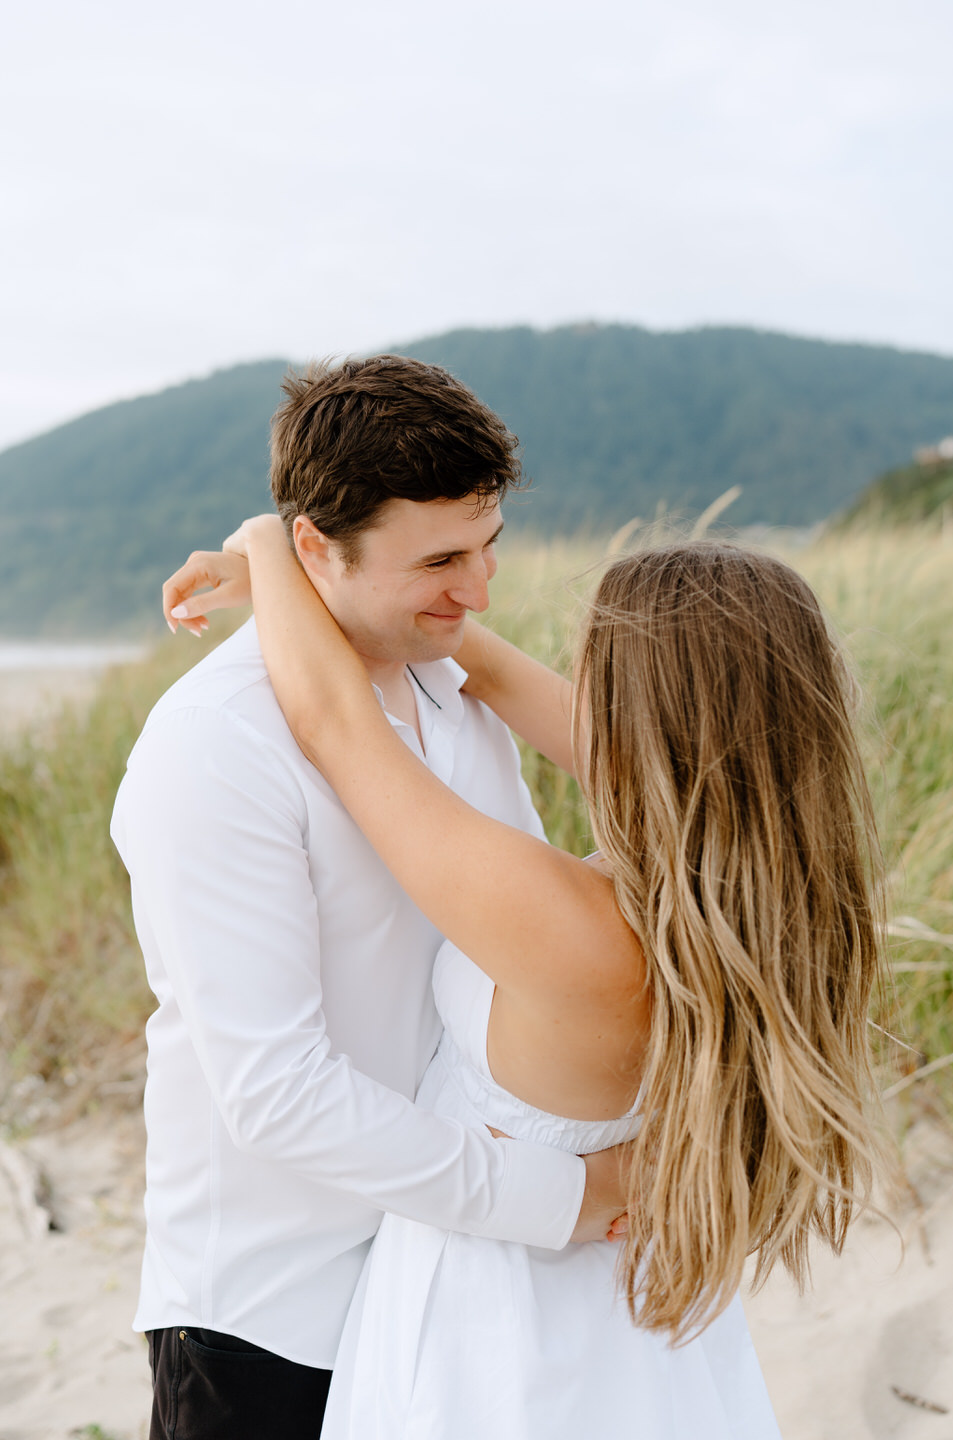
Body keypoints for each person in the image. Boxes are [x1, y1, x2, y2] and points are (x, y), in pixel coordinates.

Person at [167, 521, 887, 1439]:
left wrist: (272, 547)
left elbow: (337, 726)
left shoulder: (576, 929)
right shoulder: (778, 902)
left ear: (637, 709)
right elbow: (507, 682)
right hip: (627, 1323)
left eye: (592, 667)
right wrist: (368, 595)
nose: (571, 687)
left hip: (499, 1329)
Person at [111, 356, 628, 1440]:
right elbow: (276, 1089)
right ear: (314, 548)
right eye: (441, 559)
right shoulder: (215, 749)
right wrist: (561, 1203)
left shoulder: (461, 691)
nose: (480, 590)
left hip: (459, 1282)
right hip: (276, 1308)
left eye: (489, 548)